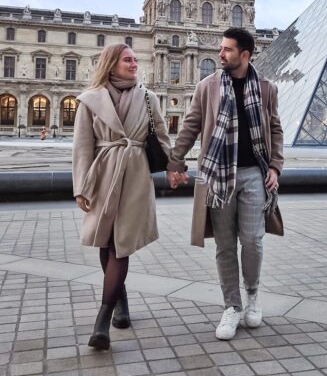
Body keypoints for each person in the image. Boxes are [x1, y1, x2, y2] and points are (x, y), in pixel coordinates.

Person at [167, 27, 284, 341]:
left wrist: (275, 165)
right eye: (221, 48)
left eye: (227, 50)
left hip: (253, 174)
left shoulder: (266, 88)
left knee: (253, 240)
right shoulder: (207, 86)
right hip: (217, 174)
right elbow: (191, 124)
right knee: (224, 246)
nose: (220, 54)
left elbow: (275, 129)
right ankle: (232, 306)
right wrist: (175, 160)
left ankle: (253, 296)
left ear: (245, 55)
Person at [72, 44, 171, 350]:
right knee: (106, 242)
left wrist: (174, 167)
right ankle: (121, 302)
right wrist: (80, 187)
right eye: (128, 60)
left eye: (134, 60)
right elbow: (82, 147)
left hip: (134, 177)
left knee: (120, 245)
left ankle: (102, 321)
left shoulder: (148, 97)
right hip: (102, 176)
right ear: (111, 65)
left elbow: (164, 140)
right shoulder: (89, 100)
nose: (134, 64)